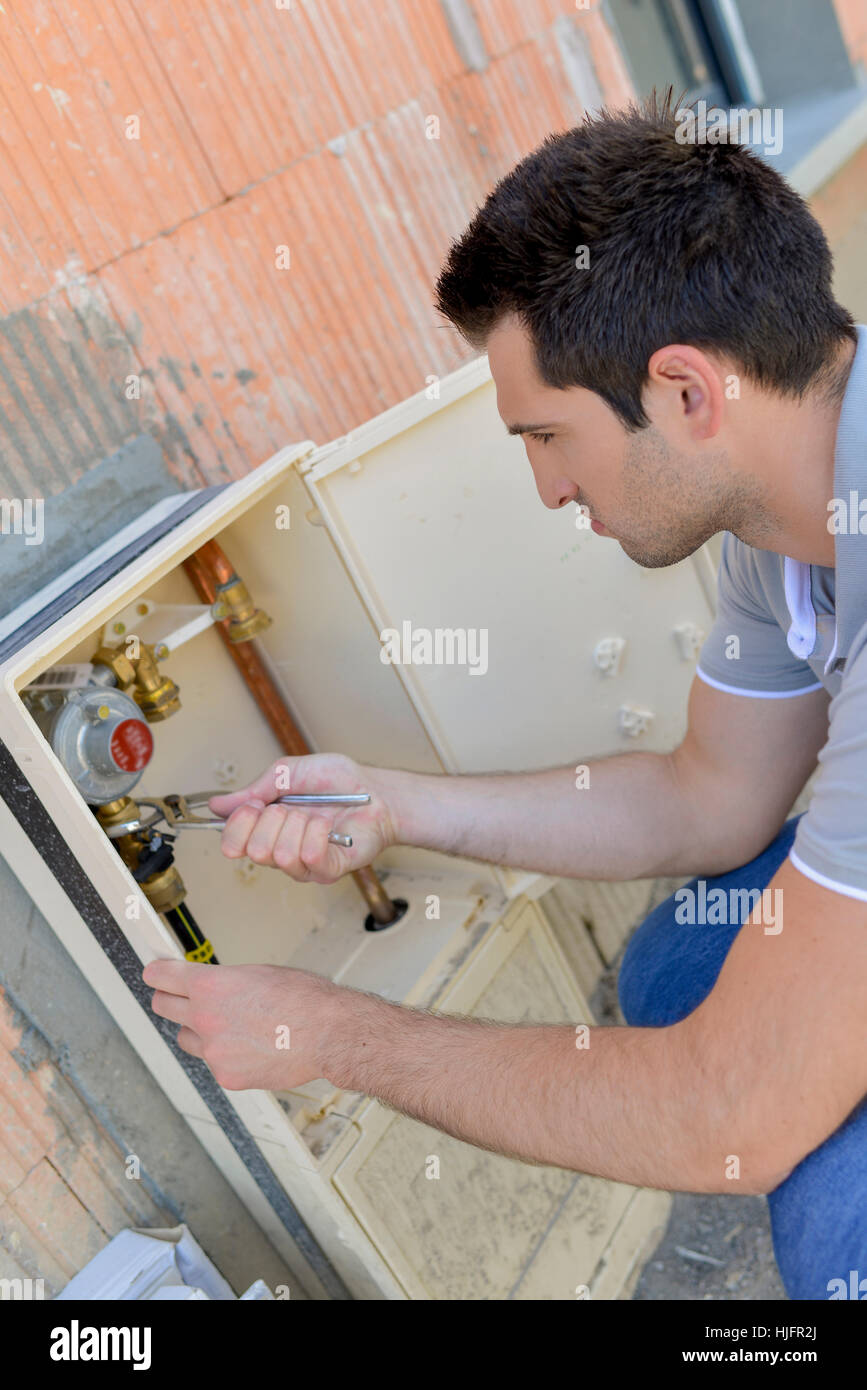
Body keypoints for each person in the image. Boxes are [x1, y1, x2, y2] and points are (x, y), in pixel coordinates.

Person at [144, 93, 867, 1300]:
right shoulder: (786, 525)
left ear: (687, 391)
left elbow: (723, 1116)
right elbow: (712, 798)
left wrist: (332, 1036)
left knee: (828, 1220)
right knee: (679, 981)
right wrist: (394, 804)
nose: (545, 490)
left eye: (546, 437)